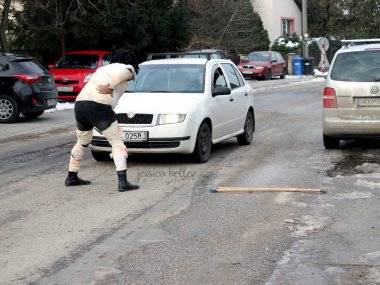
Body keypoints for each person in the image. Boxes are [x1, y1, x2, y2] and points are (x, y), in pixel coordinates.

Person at [65, 49, 139, 192]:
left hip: (80, 104)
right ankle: (123, 182)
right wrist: (110, 87)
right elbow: (124, 72)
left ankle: (72, 176)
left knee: (82, 141)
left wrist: (110, 88)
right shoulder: (128, 68)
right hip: (98, 105)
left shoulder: (103, 69)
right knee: (117, 142)